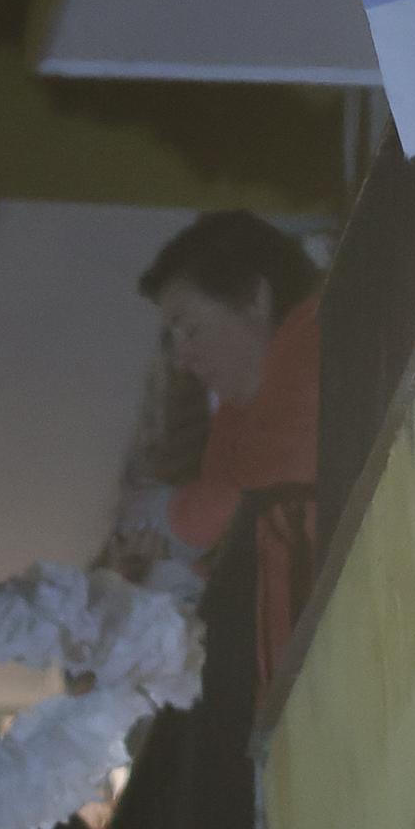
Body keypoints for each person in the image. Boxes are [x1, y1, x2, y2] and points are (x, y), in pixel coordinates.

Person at [136, 211, 323, 694]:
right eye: (173, 339)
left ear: (255, 299)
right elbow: (220, 565)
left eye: (191, 329)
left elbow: (273, 483)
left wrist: (167, 519)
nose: (183, 358)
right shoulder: (234, 421)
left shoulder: (322, 332)